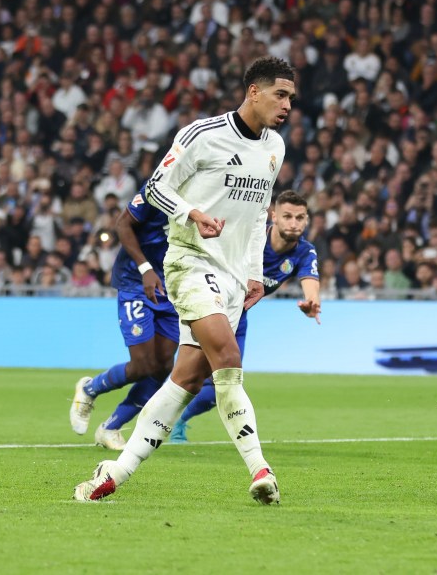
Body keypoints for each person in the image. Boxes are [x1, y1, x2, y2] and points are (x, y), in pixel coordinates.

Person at [75, 57, 305, 505]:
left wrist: (255, 273)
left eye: (292, 97)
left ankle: (115, 471)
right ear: (253, 92)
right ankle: (260, 469)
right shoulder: (203, 135)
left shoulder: (275, 147)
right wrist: (191, 213)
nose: (288, 105)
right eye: (280, 94)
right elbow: (157, 187)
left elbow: (260, 213)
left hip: (237, 276)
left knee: (185, 380)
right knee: (228, 354)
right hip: (189, 262)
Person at [169, 191, 320, 442]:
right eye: (287, 216)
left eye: (300, 217)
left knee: (223, 385)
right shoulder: (252, 236)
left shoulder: (304, 251)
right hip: (211, 308)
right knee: (187, 378)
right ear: (274, 217)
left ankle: (178, 421)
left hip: (239, 316)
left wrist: (311, 303)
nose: (294, 223)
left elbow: (311, 285)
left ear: (307, 220)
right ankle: (154, 424)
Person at [68, 184, 179, 449]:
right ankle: (90, 389)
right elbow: (122, 225)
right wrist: (145, 268)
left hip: (173, 286)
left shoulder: (210, 194)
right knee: (142, 366)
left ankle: (111, 427)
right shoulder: (160, 186)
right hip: (136, 283)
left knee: (163, 367)